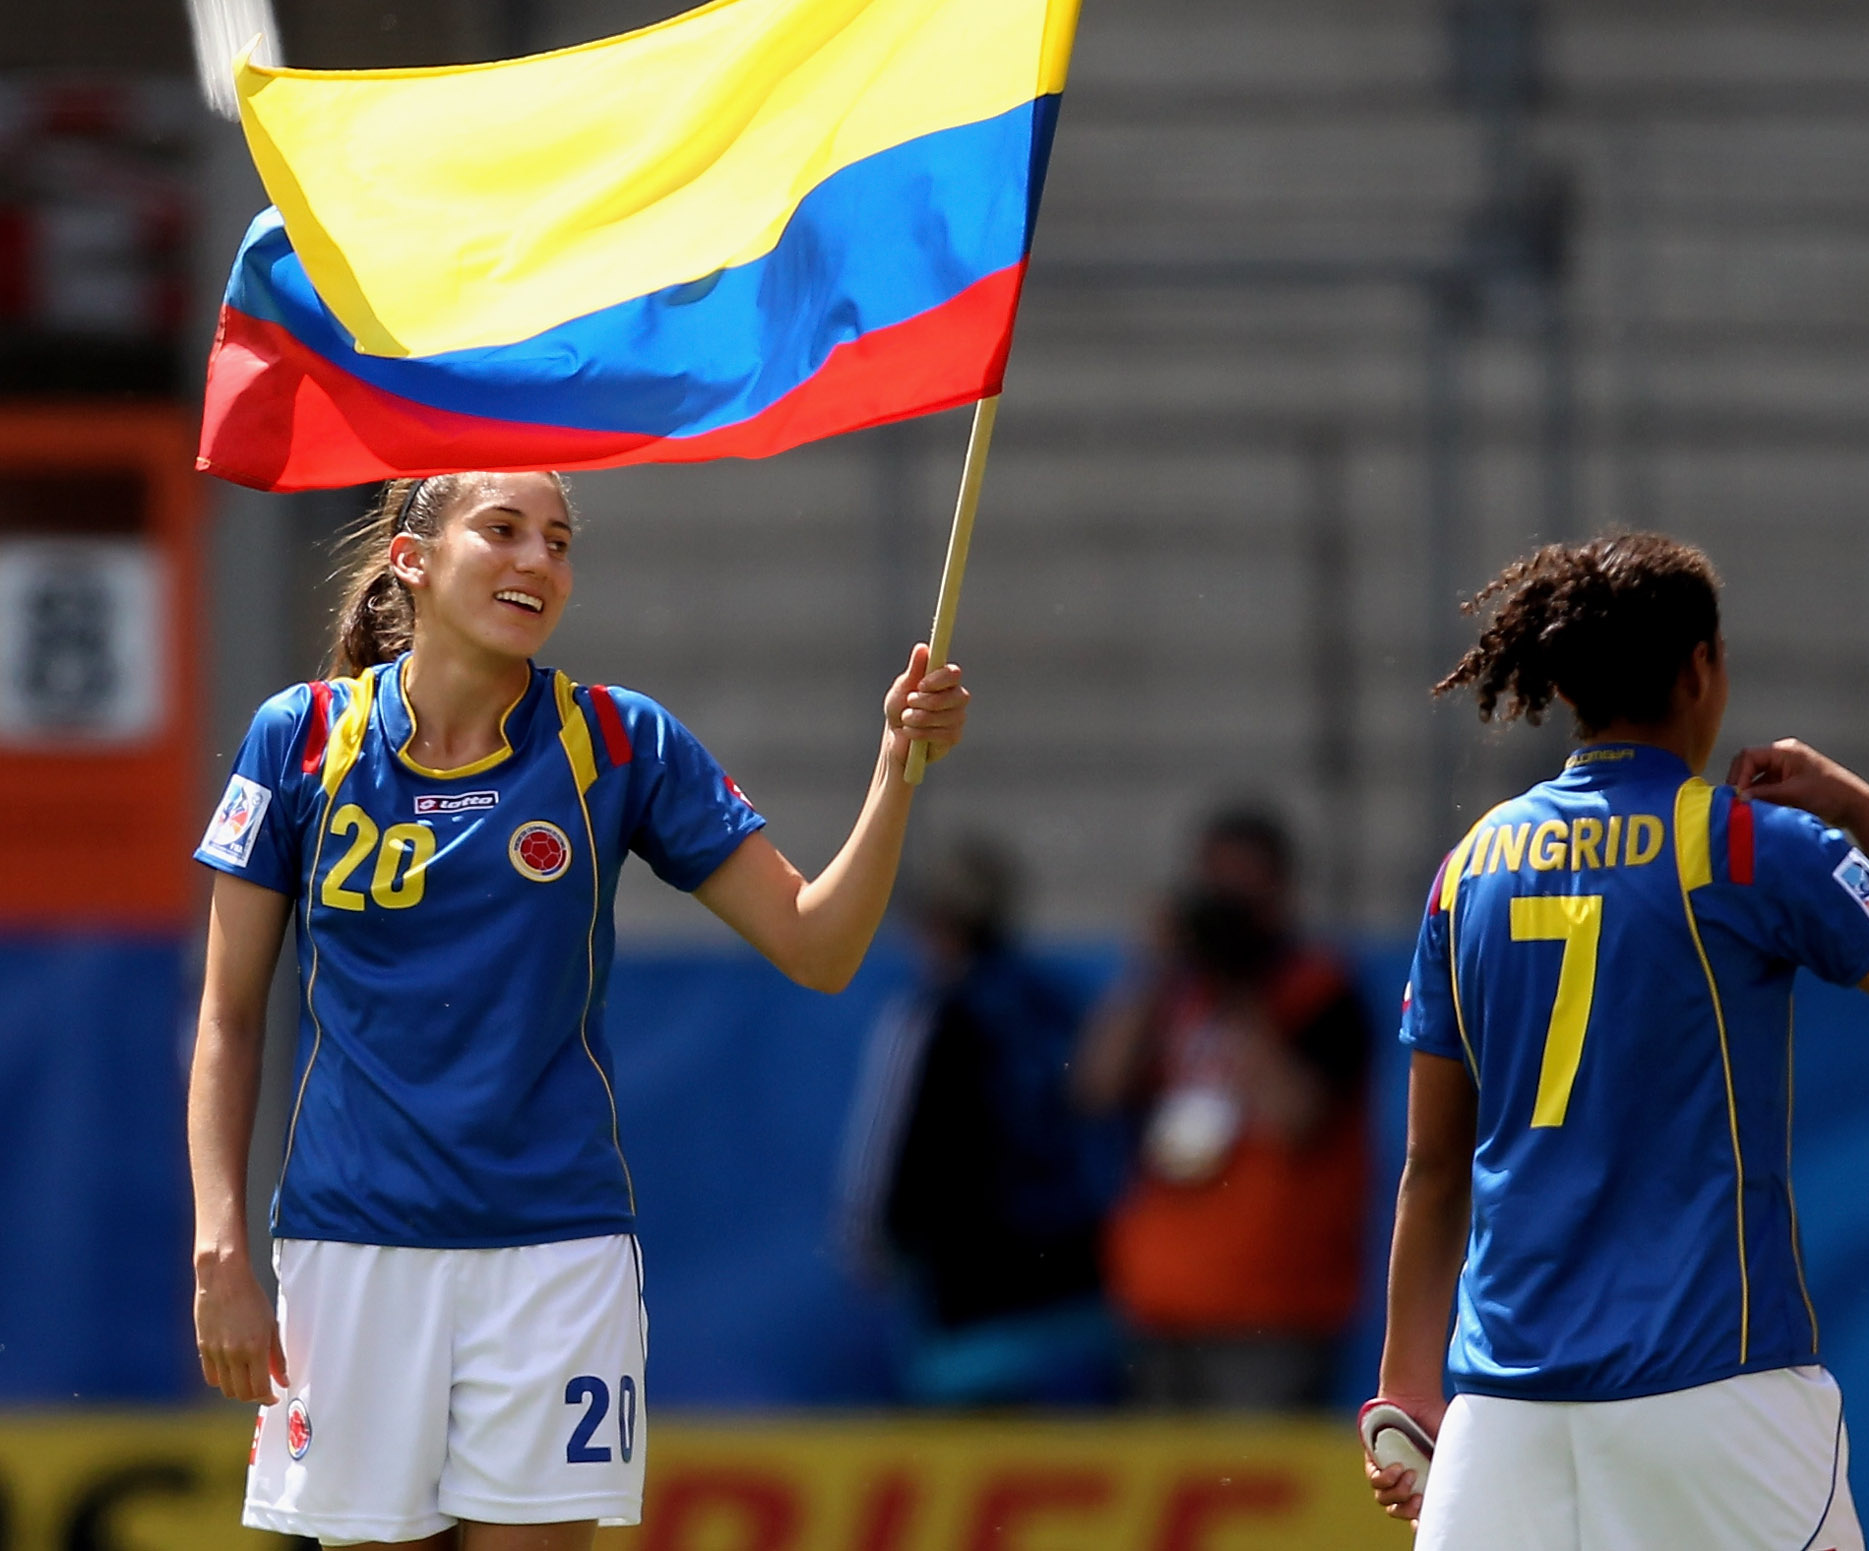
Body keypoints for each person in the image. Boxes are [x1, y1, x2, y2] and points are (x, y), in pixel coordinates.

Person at [188, 471, 966, 1549]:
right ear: (413, 559)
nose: (538, 562)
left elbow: (819, 945)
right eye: (502, 531)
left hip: (557, 1252)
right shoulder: (302, 737)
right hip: (351, 1247)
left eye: (559, 541)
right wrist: (220, 1242)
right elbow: (228, 1016)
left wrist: (897, 768)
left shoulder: (619, 741)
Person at [1364, 530, 1869, 1549]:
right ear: (1700, 666)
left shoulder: (1469, 867)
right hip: (1716, 1392)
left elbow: (1434, 1165)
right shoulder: (1742, 842)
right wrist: (1868, 813)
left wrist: (1405, 1391)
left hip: (1504, 1415)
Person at [1075, 809, 1372, 1409]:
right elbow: (1096, 1087)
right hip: (1161, 1299)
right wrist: (1152, 967)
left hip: (1273, 1308)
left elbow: (1296, 1116)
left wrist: (1242, 992)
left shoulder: (1320, 991)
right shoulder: (1174, 991)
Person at [837, 836, 1117, 1405]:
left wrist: (867, 1237)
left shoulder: (932, 1016)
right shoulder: (1062, 1004)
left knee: (981, 1471)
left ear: (935, 924)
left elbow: (885, 1141)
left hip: (970, 1293)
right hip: (1079, 1283)